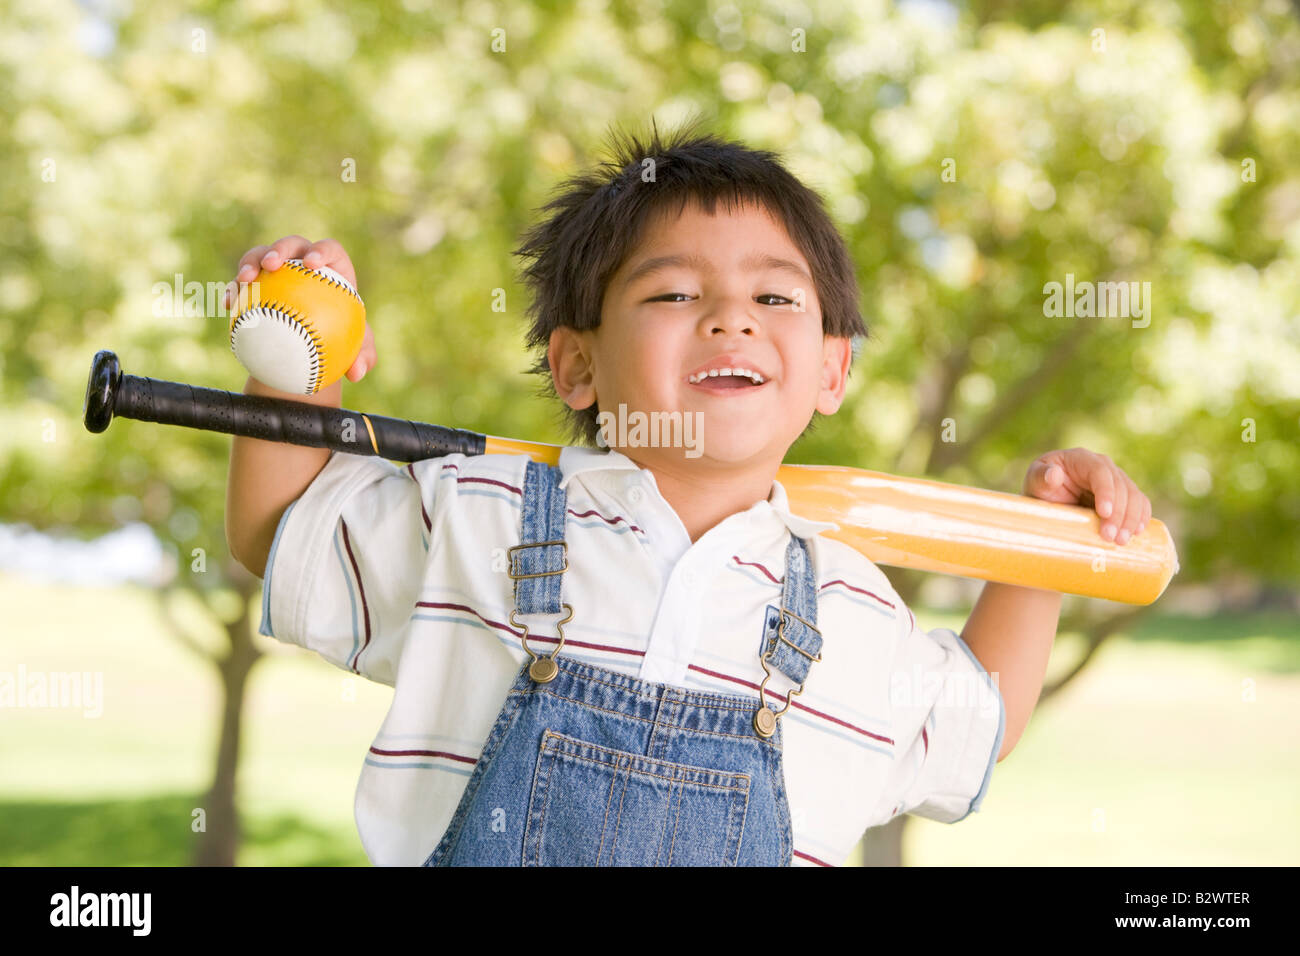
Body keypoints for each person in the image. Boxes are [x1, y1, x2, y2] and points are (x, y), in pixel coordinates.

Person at [224, 121, 1152, 866]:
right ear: (577, 363)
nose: (731, 315)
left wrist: (1040, 547)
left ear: (832, 372)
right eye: (673, 295)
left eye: (777, 299)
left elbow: (977, 723)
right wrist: (302, 359)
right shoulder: (478, 518)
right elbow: (283, 531)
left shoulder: (853, 610)